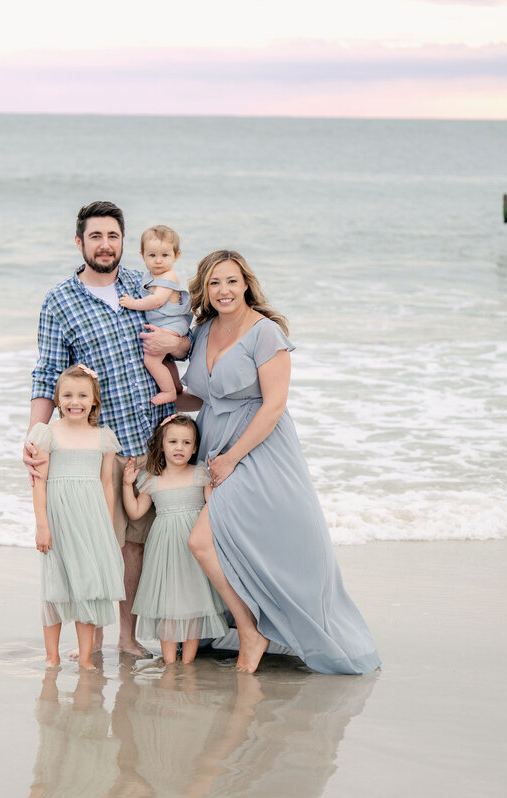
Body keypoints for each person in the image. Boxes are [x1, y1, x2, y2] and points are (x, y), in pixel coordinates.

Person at [177, 250, 381, 675]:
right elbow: (205, 395)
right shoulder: (202, 330)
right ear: (205, 289)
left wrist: (232, 459)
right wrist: (149, 395)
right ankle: (240, 627)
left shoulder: (265, 333)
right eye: (215, 283)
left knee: (202, 541)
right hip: (215, 444)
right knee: (230, 540)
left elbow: (273, 406)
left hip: (258, 448)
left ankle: (253, 632)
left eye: (232, 281)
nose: (224, 290)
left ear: (247, 284)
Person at [25, 201, 189, 658]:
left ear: (123, 241)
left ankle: (129, 637)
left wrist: (175, 342)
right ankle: (90, 637)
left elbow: (185, 337)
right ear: (80, 243)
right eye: (95, 236)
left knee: (139, 548)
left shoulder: (145, 284)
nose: (105, 244)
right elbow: (47, 374)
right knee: (106, 542)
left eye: (113, 236)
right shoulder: (61, 299)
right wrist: (36, 438)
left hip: (155, 441)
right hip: (103, 447)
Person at [27, 364, 126, 669]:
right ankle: (51, 655)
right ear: (57, 400)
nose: (75, 401)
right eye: (68, 395)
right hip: (58, 518)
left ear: (94, 400)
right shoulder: (46, 433)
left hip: (91, 519)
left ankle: (85, 658)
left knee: (88, 585)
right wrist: (42, 525)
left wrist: (107, 528)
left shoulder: (103, 437)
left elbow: (107, 484)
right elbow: (39, 482)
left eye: (83, 395)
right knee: (55, 584)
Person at [121, 414, 227, 664]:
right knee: (167, 605)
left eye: (186, 443)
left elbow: (214, 506)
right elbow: (136, 511)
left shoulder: (200, 473)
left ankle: (188, 661)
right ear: (162, 445)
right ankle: (169, 662)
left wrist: (216, 480)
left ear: (194, 448)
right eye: (173, 442)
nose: (180, 447)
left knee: (193, 601)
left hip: (194, 545)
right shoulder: (151, 478)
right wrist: (127, 485)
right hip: (164, 548)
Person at [119, 226, 192, 406]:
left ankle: (168, 392)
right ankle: (175, 386)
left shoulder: (169, 276)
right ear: (142, 255)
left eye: (165, 255)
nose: (158, 261)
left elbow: (157, 301)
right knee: (164, 358)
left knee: (151, 359)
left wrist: (133, 303)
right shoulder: (148, 276)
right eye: (152, 255)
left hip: (172, 324)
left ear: (177, 256)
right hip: (166, 324)